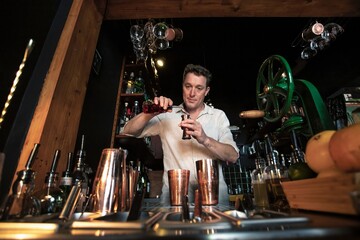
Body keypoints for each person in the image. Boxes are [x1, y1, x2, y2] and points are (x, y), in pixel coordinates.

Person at [122, 64, 239, 205]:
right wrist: (151, 111)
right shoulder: (167, 115)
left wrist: (205, 139)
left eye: (199, 88)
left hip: (214, 197)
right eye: (188, 86)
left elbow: (232, 156)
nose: (192, 93)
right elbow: (128, 130)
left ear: (206, 91)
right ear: (182, 86)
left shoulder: (218, 116)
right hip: (174, 198)